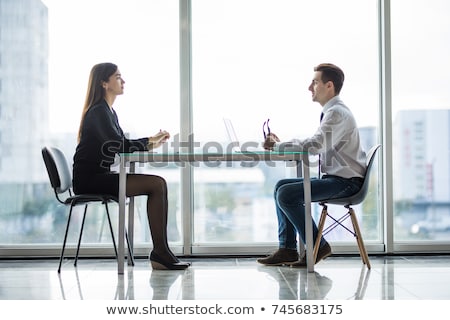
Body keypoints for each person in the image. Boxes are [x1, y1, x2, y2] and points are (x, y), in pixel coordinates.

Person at [73, 62, 189, 270]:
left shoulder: (107, 111)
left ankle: (162, 252)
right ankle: (161, 253)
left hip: (97, 176)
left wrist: (150, 141)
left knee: (158, 184)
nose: (123, 81)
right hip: (90, 180)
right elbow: (118, 146)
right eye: (118, 77)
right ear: (104, 83)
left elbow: (120, 145)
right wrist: (148, 142)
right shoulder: (99, 111)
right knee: (157, 184)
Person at [257, 63, 366, 267]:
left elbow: (315, 145)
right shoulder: (334, 112)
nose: (310, 87)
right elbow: (316, 143)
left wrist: (278, 145)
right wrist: (281, 145)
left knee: (286, 195)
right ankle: (288, 250)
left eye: (315, 82)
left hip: (347, 182)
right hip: (338, 178)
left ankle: (318, 245)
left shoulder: (337, 114)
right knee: (281, 185)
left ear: (329, 86)